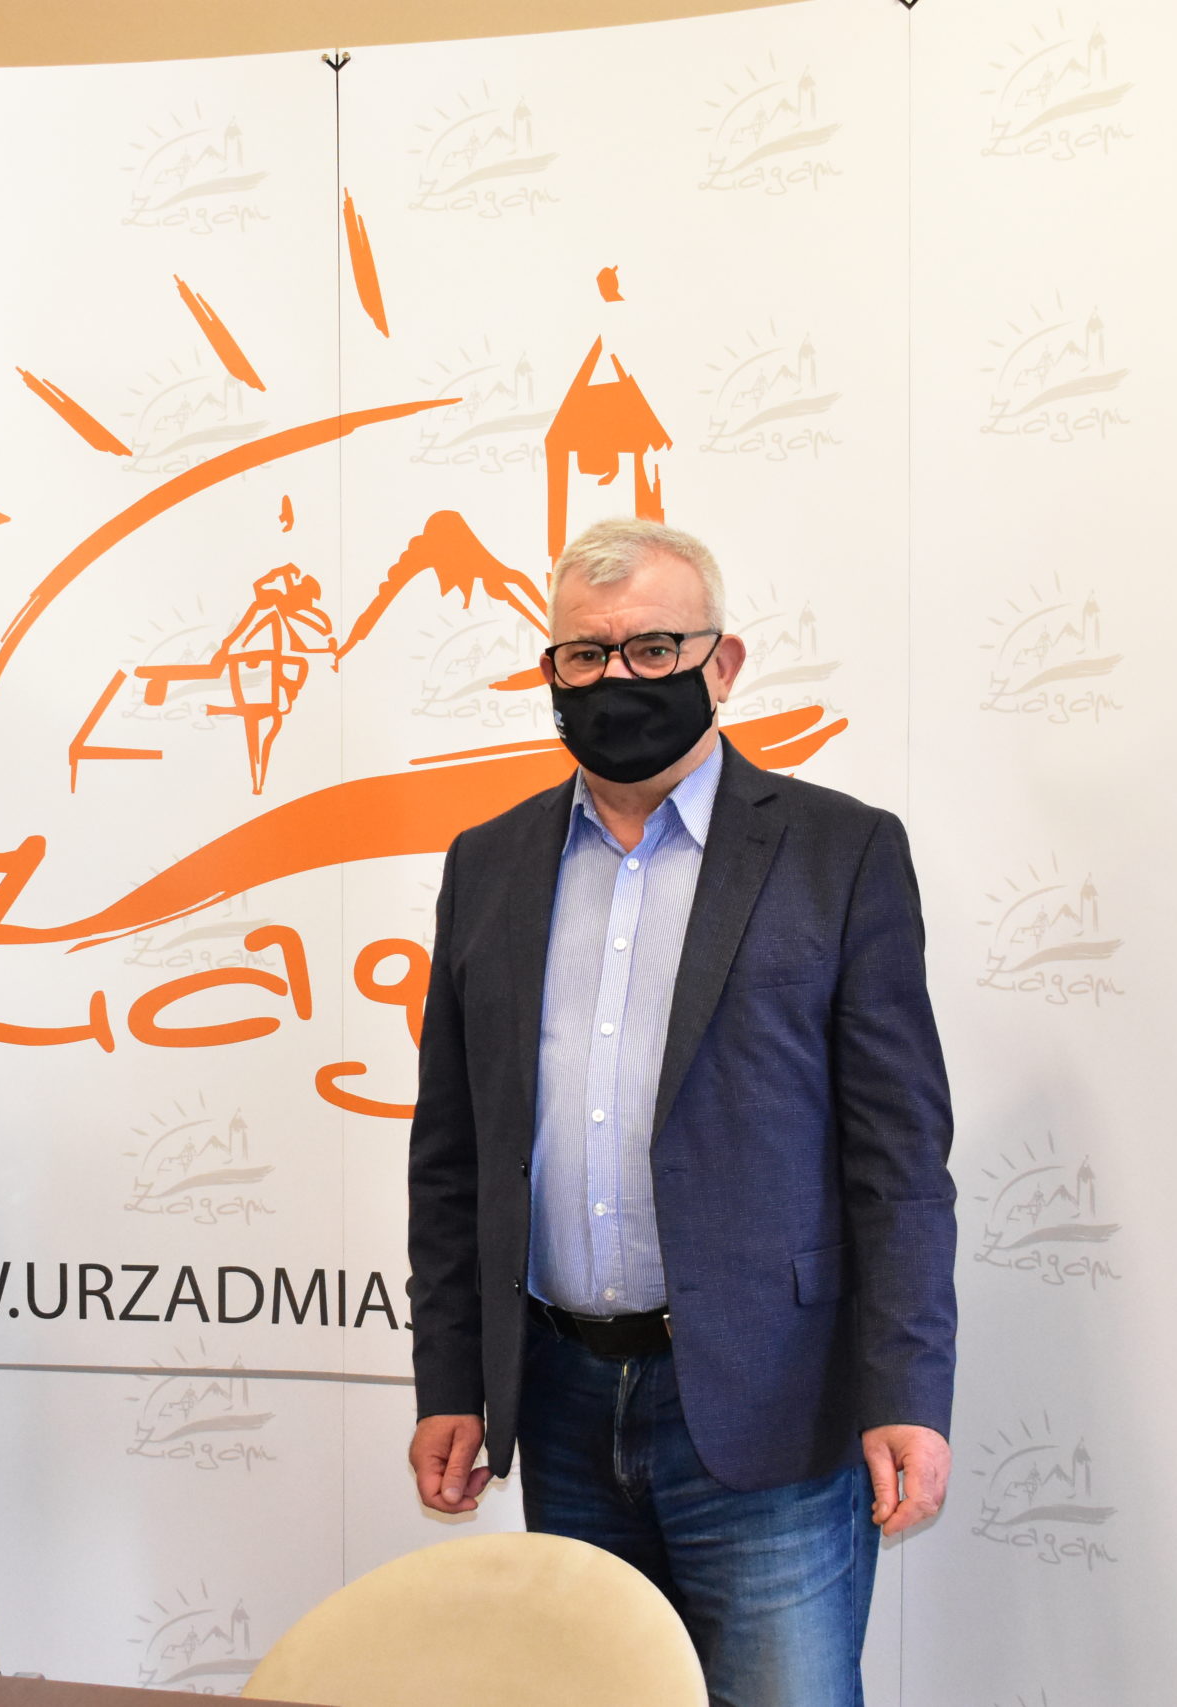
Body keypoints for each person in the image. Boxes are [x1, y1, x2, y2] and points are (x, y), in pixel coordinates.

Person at [404, 517, 955, 1707]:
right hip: (557, 1402)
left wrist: (906, 1395)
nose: (619, 678)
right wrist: (450, 1379)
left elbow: (900, 1163)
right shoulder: (486, 864)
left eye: (654, 649)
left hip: (771, 1409)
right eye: (585, 655)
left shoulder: (839, 854)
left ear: (723, 662)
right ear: (551, 671)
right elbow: (451, 1155)